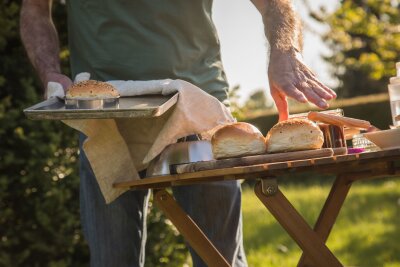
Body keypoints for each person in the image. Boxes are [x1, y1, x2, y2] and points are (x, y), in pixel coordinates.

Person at [20, 0, 336, 266]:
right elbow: (34, 8)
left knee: (220, 258)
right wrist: (48, 71)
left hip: (200, 113)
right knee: (111, 259)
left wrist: (285, 51)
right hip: (105, 120)